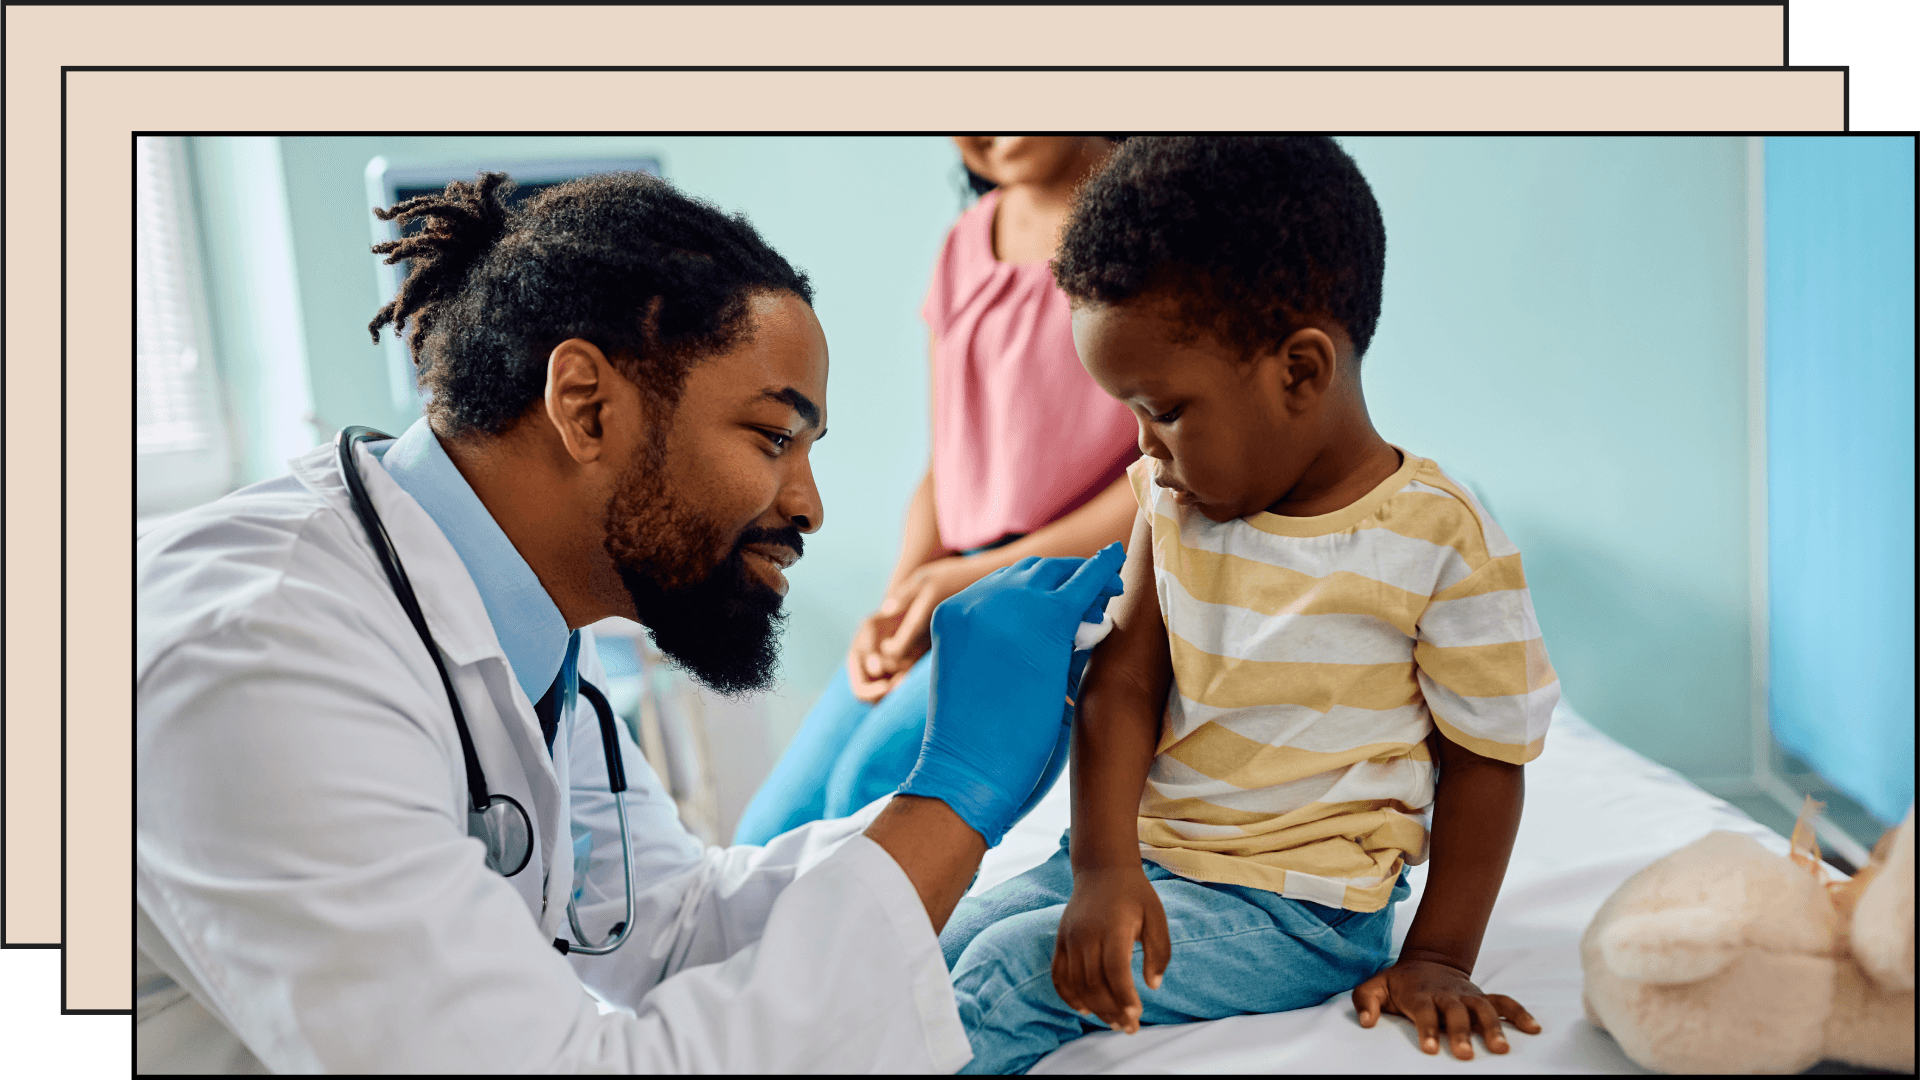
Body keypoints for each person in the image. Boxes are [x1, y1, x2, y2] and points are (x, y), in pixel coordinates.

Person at [135, 169, 1124, 1073]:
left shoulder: (516, 634)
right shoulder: (258, 659)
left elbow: (675, 929)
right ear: (586, 406)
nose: (809, 504)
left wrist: (968, 821)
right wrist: (954, 796)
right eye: (774, 436)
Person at [935, 137, 1557, 1073]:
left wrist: (1434, 954)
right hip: (1141, 860)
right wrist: (1103, 871)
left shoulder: (1438, 539)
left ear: (1299, 373)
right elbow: (1123, 686)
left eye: (1166, 410)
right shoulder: (1173, 505)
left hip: (1296, 910)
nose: (1143, 447)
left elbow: (1485, 761)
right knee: (936, 944)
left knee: (1016, 976)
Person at [733, 136, 1141, 844]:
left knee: (869, 795)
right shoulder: (965, 244)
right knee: (767, 832)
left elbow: (1164, 480)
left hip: (1071, 583)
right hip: (958, 579)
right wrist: (900, 603)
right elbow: (946, 462)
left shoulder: (1156, 236)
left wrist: (965, 580)